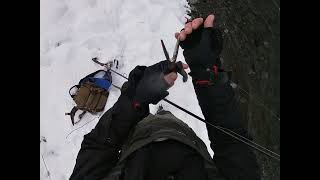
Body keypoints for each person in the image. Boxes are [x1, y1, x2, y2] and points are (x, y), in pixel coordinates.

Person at [69, 14, 261, 180]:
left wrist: (136, 98)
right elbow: (233, 142)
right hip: (182, 135)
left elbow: (98, 147)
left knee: (154, 121)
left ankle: (159, 115)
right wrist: (206, 71)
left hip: (141, 135)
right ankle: (164, 114)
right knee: (166, 119)